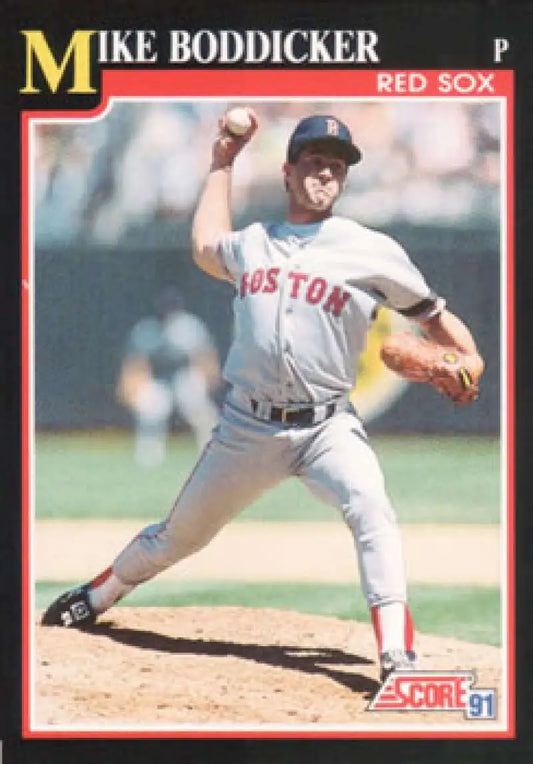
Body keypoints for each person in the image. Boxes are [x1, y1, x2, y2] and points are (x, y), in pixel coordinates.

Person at [42, 110, 485, 683]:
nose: (325, 174)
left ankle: (397, 656)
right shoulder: (254, 243)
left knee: (372, 509)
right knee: (178, 537)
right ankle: (96, 596)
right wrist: (222, 162)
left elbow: (437, 318)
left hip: (328, 427)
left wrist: (469, 362)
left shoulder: (370, 249)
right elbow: (205, 244)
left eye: (336, 166)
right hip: (247, 427)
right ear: (288, 171)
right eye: (314, 162)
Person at [116, 286, 221, 466]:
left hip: (185, 376)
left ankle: (213, 453)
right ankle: (149, 457)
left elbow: (204, 356)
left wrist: (208, 379)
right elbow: (136, 363)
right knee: (150, 411)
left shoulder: (189, 326)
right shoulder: (147, 329)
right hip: (157, 379)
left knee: (202, 414)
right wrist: (129, 386)